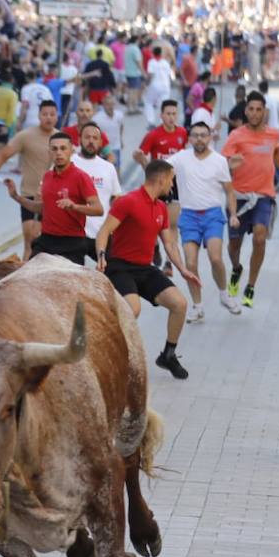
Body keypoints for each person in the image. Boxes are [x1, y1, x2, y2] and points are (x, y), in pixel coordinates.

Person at [93, 160, 200, 380]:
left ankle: (168, 356)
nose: (172, 185)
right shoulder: (128, 202)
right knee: (133, 309)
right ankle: (112, 358)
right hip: (120, 267)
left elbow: (169, 243)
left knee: (179, 304)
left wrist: (182, 269)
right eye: (171, 180)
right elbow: (104, 231)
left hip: (145, 268)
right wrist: (102, 255)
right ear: (161, 179)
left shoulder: (161, 207)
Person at [222, 92, 279, 309]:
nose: (255, 113)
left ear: (265, 111)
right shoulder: (236, 135)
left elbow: (277, 153)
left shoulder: (273, 135)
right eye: (251, 109)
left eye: (259, 109)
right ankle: (236, 269)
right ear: (246, 111)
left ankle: (251, 285)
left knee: (260, 237)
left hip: (264, 196)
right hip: (238, 198)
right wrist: (229, 164)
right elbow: (223, 162)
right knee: (234, 244)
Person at [169, 121, 241, 319]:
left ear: (210, 137)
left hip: (212, 215)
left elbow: (229, 191)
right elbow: (159, 170)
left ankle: (224, 295)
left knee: (215, 258)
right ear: (190, 138)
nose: (199, 138)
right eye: (195, 135)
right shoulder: (180, 158)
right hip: (189, 216)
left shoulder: (219, 161)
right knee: (190, 264)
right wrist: (143, 161)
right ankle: (197, 306)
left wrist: (233, 214)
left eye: (203, 135)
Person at [3, 131, 102, 266]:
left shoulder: (81, 177)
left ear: (71, 151)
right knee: (29, 278)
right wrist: (16, 197)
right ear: (49, 152)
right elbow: (43, 208)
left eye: (63, 148)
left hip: (72, 242)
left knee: (69, 286)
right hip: (46, 241)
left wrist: (74, 206)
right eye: (54, 149)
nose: (58, 153)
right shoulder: (47, 176)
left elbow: (98, 210)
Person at [0, 98, 58, 257]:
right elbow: (4, 153)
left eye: (52, 114)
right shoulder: (26, 136)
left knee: (41, 241)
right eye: (45, 114)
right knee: (29, 239)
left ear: (57, 116)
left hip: (51, 198)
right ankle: (25, 274)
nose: (48, 117)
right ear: (38, 116)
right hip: (28, 194)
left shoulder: (61, 140)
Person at [133, 99, 188, 272]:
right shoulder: (154, 135)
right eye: (168, 114)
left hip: (174, 185)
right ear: (161, 115)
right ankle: (155, 246)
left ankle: (169, 262)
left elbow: (188, 156)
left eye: (174, 114)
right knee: (153, 222)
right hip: (156, 185)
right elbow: (141, 156)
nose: (171, 117)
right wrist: (141, 160)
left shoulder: (182, 133)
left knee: (172, 225)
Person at [70, 122, 121, 224]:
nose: (91, 141)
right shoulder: (69, 163)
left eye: (95, 138)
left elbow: (116, 199)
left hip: (101, 232)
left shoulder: (109, 168)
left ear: (101, 142)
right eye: (87, 137)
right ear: (79, 140)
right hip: (73, 232)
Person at [143, 45, 175, 126]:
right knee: (163, 104)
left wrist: (146, 83)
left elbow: (150, 75)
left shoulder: (152, 62)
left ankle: (151, 121)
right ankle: (162, 122)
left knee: (149, 102)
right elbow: (169, 75)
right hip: (165, 86)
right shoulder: (165, 63)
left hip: (155, 85)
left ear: (153, 53)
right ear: (161, 53)